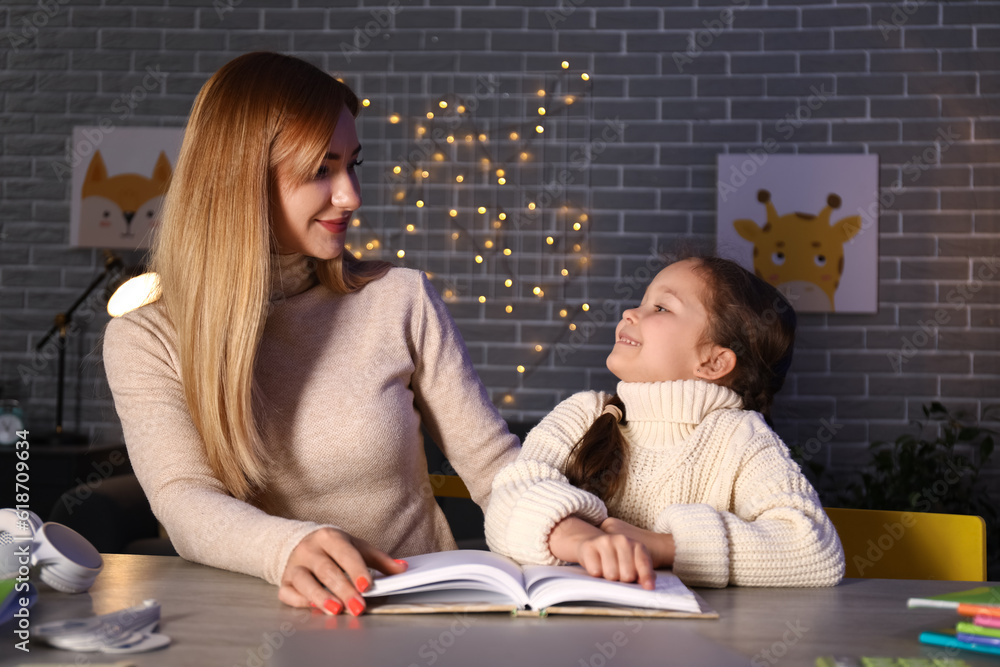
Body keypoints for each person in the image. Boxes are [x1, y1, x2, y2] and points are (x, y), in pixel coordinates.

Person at [102, 52, 519, 617]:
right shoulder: (145, 338)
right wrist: (287, 547)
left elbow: (497, 471)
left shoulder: (400, 298)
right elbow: (183, 499)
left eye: (352, 164)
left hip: (417, 617)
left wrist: (564, 525)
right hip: (255, 623)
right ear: (242, 180)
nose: (351, 196)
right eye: (321, 169)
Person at [484, 256, 845, 589]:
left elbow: (814, 548)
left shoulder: (741, 438)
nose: (630, 312)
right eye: (642, 301)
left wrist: (664, 546)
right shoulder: (583, 414)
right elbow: (510, 496)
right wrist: (579, 538)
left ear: (714, 362)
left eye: (660, 307)